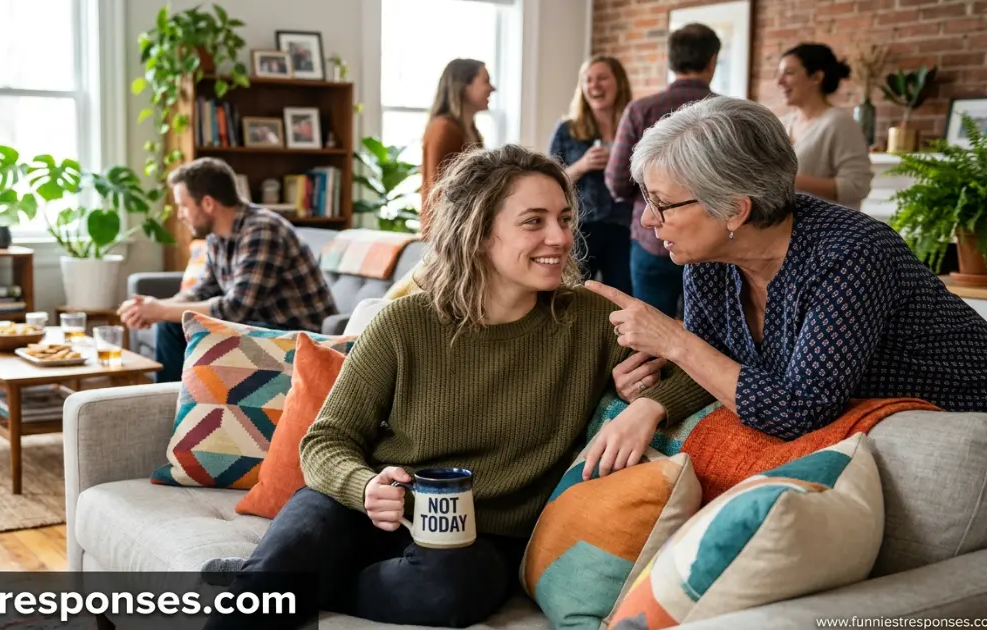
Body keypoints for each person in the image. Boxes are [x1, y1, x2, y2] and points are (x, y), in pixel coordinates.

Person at [204, 145, 711, 630]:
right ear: (478, 232)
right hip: (368, 510)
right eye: (533, 221)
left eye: (564, 218)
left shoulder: (593, 320)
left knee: (447, 596)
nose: (558, 237)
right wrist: (365, 486)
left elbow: (699, 369)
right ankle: (272, 585)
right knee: (294, 552)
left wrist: (648, 406)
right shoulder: (405, 322)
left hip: (479, 537)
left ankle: (275, 586)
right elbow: (326, 441)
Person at [587, 96, 987, 442]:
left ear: (735, 210)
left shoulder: (851, 254)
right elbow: (714, 368)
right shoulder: (709, 261)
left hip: (975, 431)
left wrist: (675, 342)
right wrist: (650, 397)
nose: (647, 220)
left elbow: (797, 413)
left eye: (661, 204)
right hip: (881, 429)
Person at [117, 157, 337, 383]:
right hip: (258, 325)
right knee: (170, 325)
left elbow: (235, 310)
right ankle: (171, 406)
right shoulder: (216, 236)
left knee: (174, 320)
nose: (180, 214)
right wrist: (155, 307)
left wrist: (161, 310)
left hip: (299, 337)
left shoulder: (262, 230)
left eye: (183, 206)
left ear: (208, 203)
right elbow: (204, 291)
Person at [606, 23, 721, 318]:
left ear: (670, 62)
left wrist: (652, 196)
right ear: (712, 61)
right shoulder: (727, 114)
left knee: (651, 337)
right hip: (715, 243)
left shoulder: (640, 110)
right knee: (711, 340)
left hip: (652, 240)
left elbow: (617, 182)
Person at [549, 55, 634, 295]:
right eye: (588, 80)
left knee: (621, 296)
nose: (594, 85)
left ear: (619, 82)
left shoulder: (633, 127)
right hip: (580, 227)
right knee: (572, 293)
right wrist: (582, 165)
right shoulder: (568, 129)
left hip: (624, 226)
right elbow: (550, 181)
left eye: (602, 78)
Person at [776, 43, 874, 210]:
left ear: (816, 77)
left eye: (789, 73)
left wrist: (790, 180)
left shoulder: (839, 124)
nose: (780, 82)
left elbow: (857, 186)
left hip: (829, 231)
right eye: (779, 74)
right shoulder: (782, 125)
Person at [420, 58, 495, 234]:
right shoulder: (444, 130)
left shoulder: (471, 132)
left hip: (463, 230)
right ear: (463, 87)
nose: (492, 88)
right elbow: (439, 191)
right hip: (446, 234)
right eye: (486, 81)